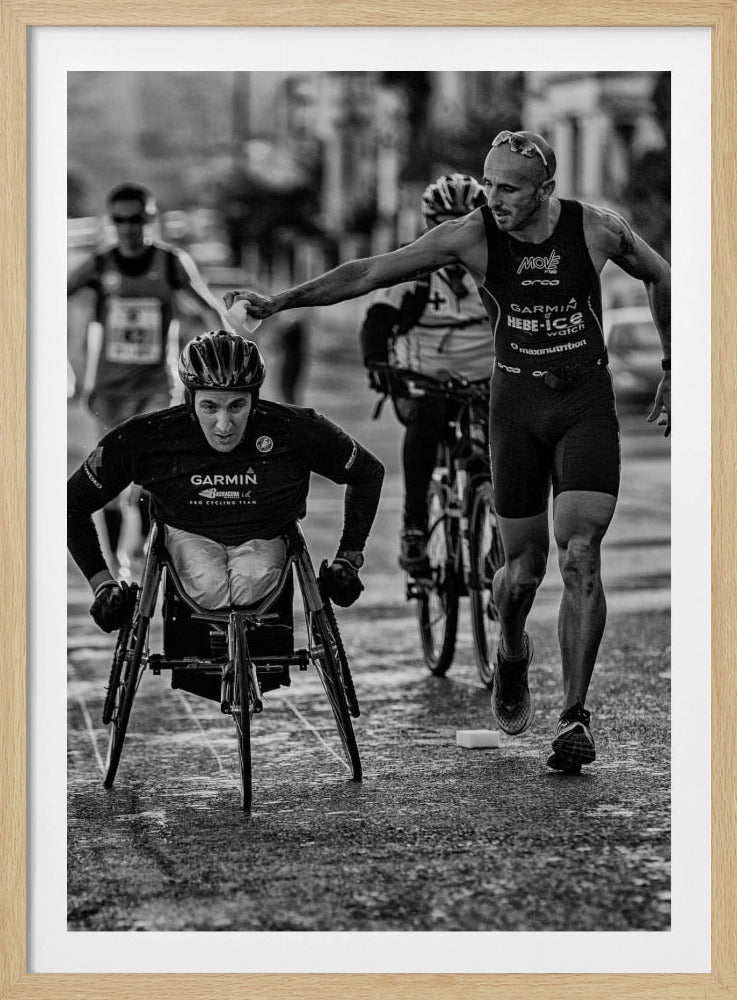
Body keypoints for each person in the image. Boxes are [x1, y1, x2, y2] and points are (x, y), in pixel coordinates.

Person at [223, 129, 671, 773]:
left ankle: (574, 717)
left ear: (547, 190)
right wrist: (283, 301)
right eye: (488, 183)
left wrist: (673, 362)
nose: (495, 198)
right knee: (521, 573)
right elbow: (371, 271)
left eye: (510, 188)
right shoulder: (473, 233)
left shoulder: (596, 229)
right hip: (515, 407)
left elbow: (660, 275)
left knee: (581, 557)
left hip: (584, 404)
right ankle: (512, 648)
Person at [68, 331, 384, 636]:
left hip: (264, 539)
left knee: (251, 576)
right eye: (210, 407)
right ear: (189, 401)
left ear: (255, 400)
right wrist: (103, 584)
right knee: (210, 578)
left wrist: (349, 557)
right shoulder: (147, 437)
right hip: (188, 537)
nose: (224, 425)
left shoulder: (295, 429)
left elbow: (368, 471)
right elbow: (71, 503)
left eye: (236, 406)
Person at [67, 182, 232, 576]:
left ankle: (140, 552)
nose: (129, 228)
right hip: (108, 391)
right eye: (121, 220)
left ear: (151, 220)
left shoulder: (171, 263)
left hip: (157, 386)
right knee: (110, 479)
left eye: (137, 219)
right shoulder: (100, 266)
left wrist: (229, 354)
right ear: (112, 223)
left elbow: (208, 310)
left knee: (147, 473)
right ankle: (115, 567)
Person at [359, 173, 492, 574]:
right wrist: (377, 363)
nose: (453, 233)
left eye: (465, 221)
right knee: (429, 414)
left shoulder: (498, 267)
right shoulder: (414, 268)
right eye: (442, 224)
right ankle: (415, 525)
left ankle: (504, 543)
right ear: (427, 227)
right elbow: (378, 320)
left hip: (486, 381)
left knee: (508, 442)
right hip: (422, 379)